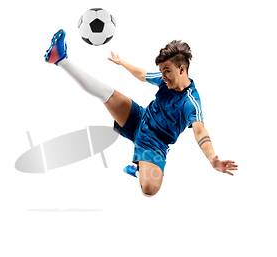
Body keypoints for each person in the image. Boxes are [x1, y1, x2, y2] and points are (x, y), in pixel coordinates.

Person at [44, 29, 237, 197]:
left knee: (150, 189)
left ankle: (137, 168)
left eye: (167, 71)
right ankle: (60, 59)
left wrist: (213, 159)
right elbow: (142, 75)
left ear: (182, 69)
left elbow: (200, 131)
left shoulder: (190, 103)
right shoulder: (164, 80)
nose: (163, 76)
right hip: (140, 119)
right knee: (106, 94)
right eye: (161, 71)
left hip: (155, 143)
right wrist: (122, 63)